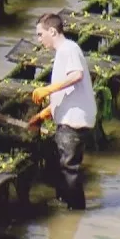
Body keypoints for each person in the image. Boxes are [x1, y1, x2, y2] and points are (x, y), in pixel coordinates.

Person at [28, 14, 95, 210]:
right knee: (60, 166)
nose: (39, 40)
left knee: (68, 168)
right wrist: (45, 113)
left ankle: (76, 211)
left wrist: (48, 90)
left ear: (53, 31)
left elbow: (76, 75)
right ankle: (66, 207)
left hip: (73, 122)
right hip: (70, 118)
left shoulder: (68, 49)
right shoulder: (63, 53)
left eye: (40, 34)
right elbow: (69, 91)